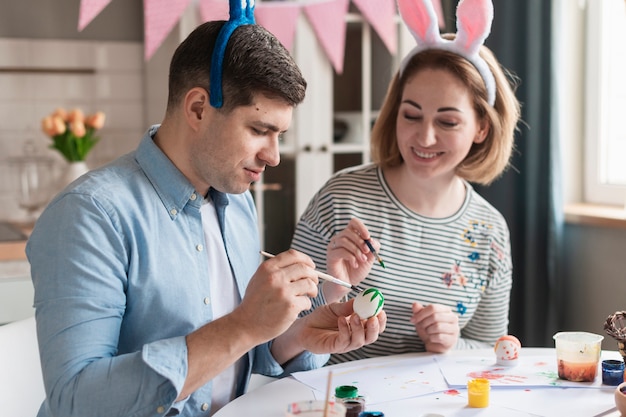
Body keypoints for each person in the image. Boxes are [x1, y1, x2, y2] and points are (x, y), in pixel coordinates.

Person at [26, 3, 386, 416]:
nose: (274, 156)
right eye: (258, 130)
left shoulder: (237, 204)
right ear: (198, 108)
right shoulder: (90, 216)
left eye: (279, 135)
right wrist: (245, 324)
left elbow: (234, 359)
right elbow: (76, 401)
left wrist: (298, 336)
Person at [291, 0, 520, 363]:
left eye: (447, 122)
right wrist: (333, 291)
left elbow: (495, 351)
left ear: (482, 127)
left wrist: (451, 343)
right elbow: (280, 344)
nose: (424, 138)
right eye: (411, 115)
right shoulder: (341, 200)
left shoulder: (490, 231)